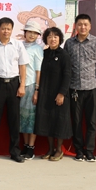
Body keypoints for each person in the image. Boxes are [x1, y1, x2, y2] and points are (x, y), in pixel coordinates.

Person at [0, 17, 29, 163]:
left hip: (14, 84)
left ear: (12, 30)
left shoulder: (18, 45)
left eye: (8, 29)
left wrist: (22, 85)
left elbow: (22, 66)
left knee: (14, 119)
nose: (6, 31)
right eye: (3, 28)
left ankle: (15, 152)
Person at [64, 13, 96, 162]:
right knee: (76, 121)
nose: (82, 27)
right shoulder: (69, 43)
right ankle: (79, 150)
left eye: (85, 24)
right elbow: (66, 65)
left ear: (90, 26)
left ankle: (89, 151)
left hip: (92, 88)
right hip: (74, 88)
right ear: (75, 26)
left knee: (91, 122)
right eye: (80, 24)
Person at [34, 27, 72, 161]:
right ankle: (50, 149)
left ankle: (59, 150)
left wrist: (62, 93)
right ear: (46, 39)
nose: (53, 39)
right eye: (49, 37)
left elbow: (67, 75)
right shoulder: (43, 54)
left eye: (55, 36)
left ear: (60, 39)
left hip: (59, 94)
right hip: (46, 93)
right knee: (47, 121)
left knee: (59, 122)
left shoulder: (64, 55)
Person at [19, 21, 43, 160]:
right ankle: (25, 145)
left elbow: (39, 71)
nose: (32, 35)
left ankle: (31, 147)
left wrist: (36, 90)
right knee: (22, 117)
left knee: (31, 118)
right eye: (30, 32)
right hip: (19, 85)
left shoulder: (37, 49)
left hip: (31, 85)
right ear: (25, 33)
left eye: (35, 33)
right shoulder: (19, 45)